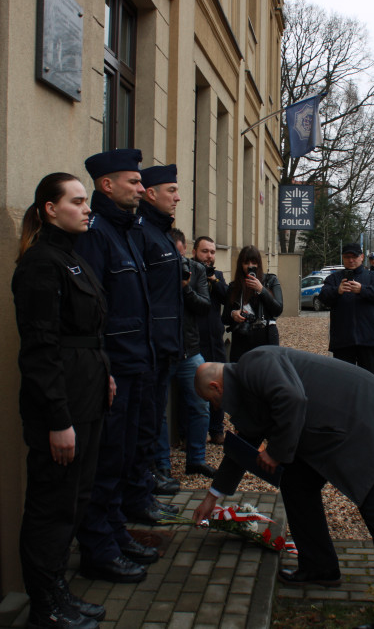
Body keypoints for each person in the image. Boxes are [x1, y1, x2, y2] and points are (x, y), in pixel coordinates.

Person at [192, 347, 374, 593]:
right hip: (329, 430)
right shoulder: (245, 384)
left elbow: (292, 399)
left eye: (210, 400)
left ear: (216, 386)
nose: (215, 407)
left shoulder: (254, 362)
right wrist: (212, 496)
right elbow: (244, 443)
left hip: (363, 419)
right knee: (296, 484)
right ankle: (319, 567)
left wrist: (275, 452)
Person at [13, 173, 115, 628]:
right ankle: (45, 606)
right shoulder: (40, 264)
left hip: (87, 396)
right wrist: (57, 418)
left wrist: (104, 373)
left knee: (76, 498)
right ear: (50, 209)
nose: (87, 208)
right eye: (76, 201)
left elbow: (88, 331)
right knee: (52, 505)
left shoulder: (72, 258)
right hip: (61, 405)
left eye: (85, 201)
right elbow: (40, 348)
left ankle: (58, 592)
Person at [73, 149, 157, 584]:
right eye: (133, 181)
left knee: (122, 459)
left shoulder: (126, 231)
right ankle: (98, 549)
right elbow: (92, 311)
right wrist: (103, 369)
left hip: (135, 365)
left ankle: (115, 532)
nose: (142, 188)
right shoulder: (96, 234)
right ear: (106, 185)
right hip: (113, 370)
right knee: (104, 463)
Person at [132, 164, 186, 509]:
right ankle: (143, 486)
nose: (177, 197)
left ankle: (149, 480)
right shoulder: (142, 233)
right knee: (144, 421)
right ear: (150, 194)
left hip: (165, 346)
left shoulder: (162, 233)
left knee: (153, 419)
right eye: (171, 190)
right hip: (149, 347)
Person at [161, 228, 214, 478]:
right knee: (157, 410)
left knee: (201, 405)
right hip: (161, 351)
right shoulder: (155, 267)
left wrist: (185, 288)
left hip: (189, 350)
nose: (178, 261)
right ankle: (161, 465)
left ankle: (196, 459)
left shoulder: (196, 270)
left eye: (181, 256)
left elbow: (204, 307)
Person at [319, 243, 374, 375]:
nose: (351, 260)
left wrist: (363, 290)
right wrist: (337, 291)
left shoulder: (373, 277)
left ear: (361, 257)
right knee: (344, 379)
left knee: (369, 379)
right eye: (347, 257)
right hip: (343, 340)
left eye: (354, 257)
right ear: (342, 258)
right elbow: (323, 297)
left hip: (368, 339)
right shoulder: (333, 279)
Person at [193, 236, 228, 445]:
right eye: (205, 251)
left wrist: (214, 280)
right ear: (195, 252)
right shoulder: (189, 272)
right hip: (196, 340)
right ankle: (196, 431)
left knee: (219, 385)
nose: (209, 256)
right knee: (196, 387)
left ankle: (217, 429)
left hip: (216, 340)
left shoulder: (218, 276)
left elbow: (227, 298)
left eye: (212, 252)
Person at [224, 245, 283, 362]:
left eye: (254, 263)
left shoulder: (270, 281)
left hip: (265, 336)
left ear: (259, 264)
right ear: (241, 265)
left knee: (266, 371)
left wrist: (262, 290)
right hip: (241, 337)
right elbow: (224, 318)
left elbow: (278, 309)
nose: (250, 266)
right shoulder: (234, 286)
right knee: (241, 371)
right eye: (246, 263)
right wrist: (233, 314)